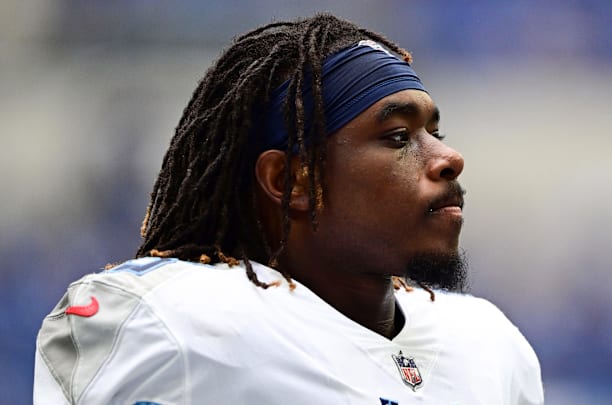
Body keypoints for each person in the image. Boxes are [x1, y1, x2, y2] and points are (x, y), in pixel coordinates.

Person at [34, 13, 543, 404]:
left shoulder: (489, 343)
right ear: (290, 180)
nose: (448, 158)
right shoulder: (173, 323)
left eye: (436, 133)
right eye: (397, 137)